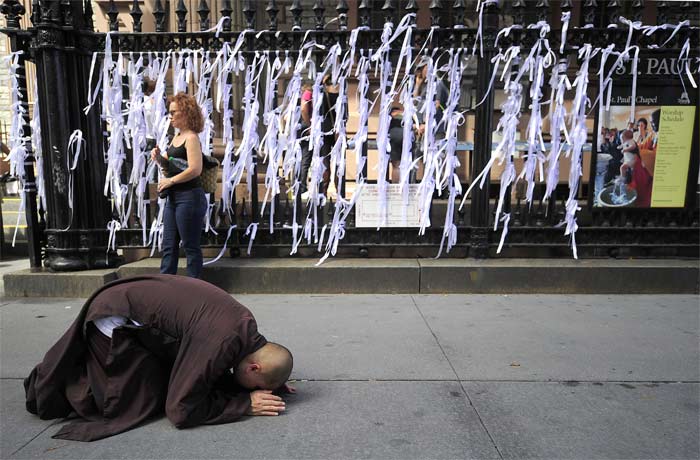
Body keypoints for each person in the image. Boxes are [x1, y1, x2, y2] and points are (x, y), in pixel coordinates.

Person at [24, 275, 294, 442]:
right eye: (260, 386)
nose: (261, 392)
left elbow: (232, 365)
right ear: (255, 366)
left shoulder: (246, 330)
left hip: (133, 304)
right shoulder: (222, 341)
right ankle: (63, 381)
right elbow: (181, 410)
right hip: (115, 319)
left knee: (169, 381)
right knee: (129, 403)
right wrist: (243, 404)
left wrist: (275, 382)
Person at [151, 92, 207, 278]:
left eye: (174, 112)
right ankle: (165, 288)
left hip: (189, 197)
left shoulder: (190, 138)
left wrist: (171, 181)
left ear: (186, 113)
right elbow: (167, 163)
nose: (171, 116)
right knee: (168, 246)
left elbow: (195, 169)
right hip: (174, 198)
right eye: (170, 112)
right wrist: (158, 157)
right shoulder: (176, 138)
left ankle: (195, 288)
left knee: (190, 246)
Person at [618, 129, 652, 207]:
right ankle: (624, 181)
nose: (622, 140)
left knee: (625, 169)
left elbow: (633, 147)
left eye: (622, 139)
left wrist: (625, 150)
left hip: (634, 162)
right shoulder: (626, 142)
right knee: (625, 170)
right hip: (630, 162)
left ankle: (623, 179)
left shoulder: (631, 142)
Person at [388, 106, 404, 184]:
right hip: (405, 138)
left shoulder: (390, 116)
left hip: (394, 138)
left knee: (396, 166)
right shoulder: (405, 114)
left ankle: (396, 186)